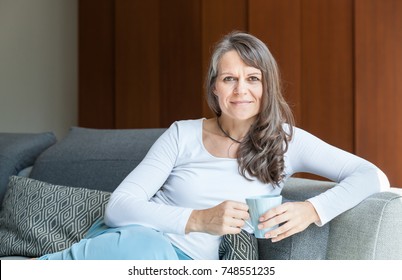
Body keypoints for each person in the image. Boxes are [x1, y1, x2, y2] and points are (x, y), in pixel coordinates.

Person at [38, 31, 390, 260]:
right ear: (214, 89)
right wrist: (199, 219)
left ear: (267, 88)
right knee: (145, 244)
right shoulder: (182, 135)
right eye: (229, 79)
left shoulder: (286, 140)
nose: (241, 90)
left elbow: (373, 176)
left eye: (253, 79)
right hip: (130, 243)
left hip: (185, 264)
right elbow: (119, 208)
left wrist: (311, 210)